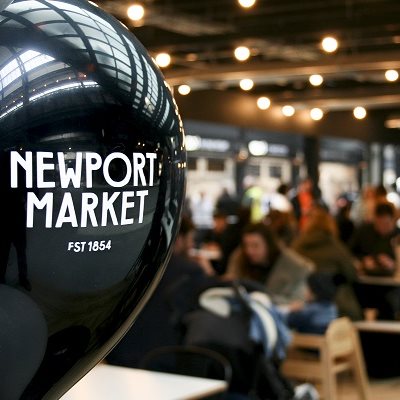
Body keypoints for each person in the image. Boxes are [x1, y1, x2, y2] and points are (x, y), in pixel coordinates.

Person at [106, 216, 212, 367]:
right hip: (164, 359)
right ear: (179, 238)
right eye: (190, 239)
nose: (192, 244)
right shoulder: (190, 271)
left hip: (120, 354)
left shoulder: (131, 265)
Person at [292, 206, 361, 320]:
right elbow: (351, 275)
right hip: (336, 307)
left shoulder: (296, 246)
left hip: (302, 303)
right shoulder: (337, 247)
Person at [225, 223, 314, 305]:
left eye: (255, 245)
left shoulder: (296, 267)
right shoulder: (239, 259)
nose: (249, 251)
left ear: (268, 244)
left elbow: (295, 302)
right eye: (246, 245)